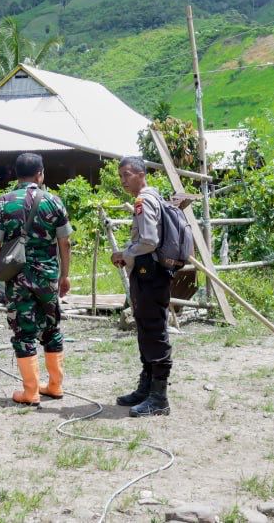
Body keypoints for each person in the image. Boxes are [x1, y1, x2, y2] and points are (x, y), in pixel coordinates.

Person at [0, 153, 72, 406]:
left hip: (17, 276)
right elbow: (65, 242)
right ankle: (54, 386)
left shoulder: (3, 203)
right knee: (52, 328)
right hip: (48, 276)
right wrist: (65, 275)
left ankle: (30, 391)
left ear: (15, 174)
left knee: (23, 331)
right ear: (40, 174)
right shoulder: (54, 202)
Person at [110, 156, 174, 417]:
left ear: (140, 174)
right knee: (147, 329)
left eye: (127, 174)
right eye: (121, 176)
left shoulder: (143, 200)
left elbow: (149, 240)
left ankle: (159, 398)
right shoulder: (155, 197)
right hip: (151, 273)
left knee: (153, 330)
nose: (123, 180)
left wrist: (124, 254)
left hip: (150, 273)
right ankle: (147, 388)